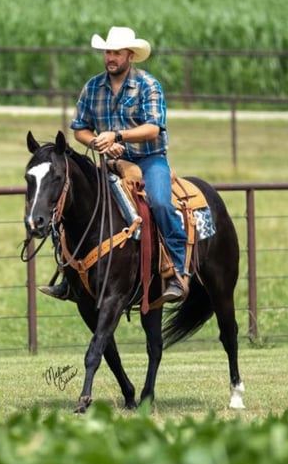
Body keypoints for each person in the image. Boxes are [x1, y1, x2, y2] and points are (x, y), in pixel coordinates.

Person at [39, 26, 189, 303]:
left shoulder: (148, 85)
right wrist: (98, 142)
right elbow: (79, 129)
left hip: (149, 159)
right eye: (108, 52)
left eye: (117, 53)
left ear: (130, 55)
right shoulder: (93, 87)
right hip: (110, 162)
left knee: (159, 202)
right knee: (74, 201)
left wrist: (118, 135)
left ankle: (177, 271)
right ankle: (68, 274)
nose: (111, 57)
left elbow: (153, 128)